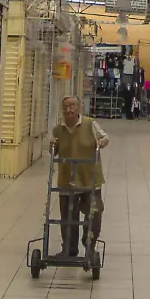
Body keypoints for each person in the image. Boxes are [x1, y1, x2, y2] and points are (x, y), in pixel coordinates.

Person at [50, 94, 109, 258]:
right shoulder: (58, 129)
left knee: (95, 213)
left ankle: (89, 243)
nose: (69, 110)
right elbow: (53, 152)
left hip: (90, 179)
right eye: (66, 107)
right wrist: (52, 147)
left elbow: (105, 137)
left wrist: (103, 142)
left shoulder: (90, 124)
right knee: (68, 217)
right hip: (67, 181)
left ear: (78, 108)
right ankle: (69, 248)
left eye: (72, 106)